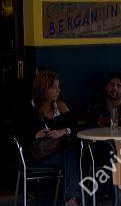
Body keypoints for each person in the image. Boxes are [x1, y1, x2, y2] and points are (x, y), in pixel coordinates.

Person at [25, 70, 81, 206]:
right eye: (54, 87)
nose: (59, 90)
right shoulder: (29, 108)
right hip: (37, 156)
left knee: (70, 151)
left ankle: (70, 198)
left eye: (59, 86)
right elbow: (15, 133)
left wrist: (63, 131)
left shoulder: (60, 106)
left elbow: (76, 127)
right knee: (71, 156)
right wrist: (35, 134)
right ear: (44, 89)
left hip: (58, 152)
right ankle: (71, 198)